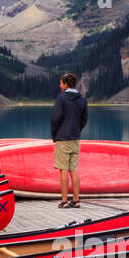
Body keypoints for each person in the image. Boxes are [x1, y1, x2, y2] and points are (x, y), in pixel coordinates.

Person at [50, 73, 88, 207]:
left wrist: (54, 134)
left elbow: (55, 119)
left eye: (61, 83)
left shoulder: (61, 99)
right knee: (74, 169)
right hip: (75, 139)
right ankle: (76, 200)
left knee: (63, 170)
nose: (59, 85)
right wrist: (77, 130)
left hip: (62, 138)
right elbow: (84, 119)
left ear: (66, 84)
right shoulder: (82, 99)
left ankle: (64, 201)